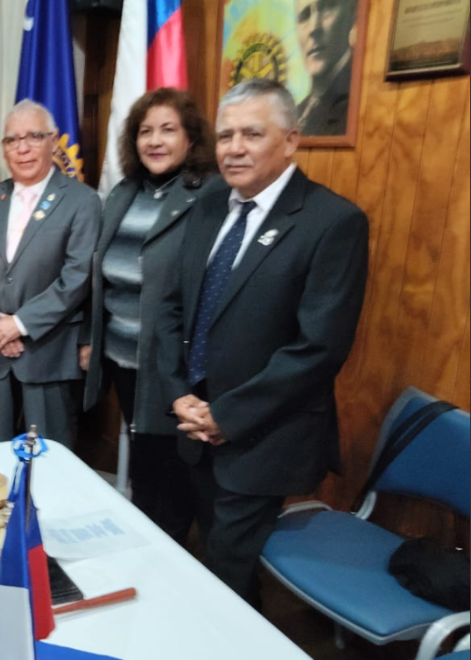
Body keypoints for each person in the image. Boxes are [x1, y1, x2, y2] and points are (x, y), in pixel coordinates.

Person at [154, 79, 369, 608]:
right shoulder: (210, 204)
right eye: (225, 135)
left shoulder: (332, 222)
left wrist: (227, 416)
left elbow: (318, 348)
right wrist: (178, 392)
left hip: (260, 439)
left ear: (291, 140)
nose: (234, 148)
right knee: (213, 558)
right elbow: (174, 306)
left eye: (252, 134)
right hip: (194, 425)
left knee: (226, 573)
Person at [80, 88, 221, 545]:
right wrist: (92, 338)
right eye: (145, 131)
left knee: (174, 480)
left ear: (191, 138)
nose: (155, 141)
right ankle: (147, 550)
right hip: (124, 360)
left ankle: (166, 556)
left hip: (173, 367)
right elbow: (100, 277)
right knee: (145, 465)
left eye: (168, 130)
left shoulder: (210, 195)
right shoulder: (124, 193)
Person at [0, 100, 101, 447]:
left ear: (53, 140)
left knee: (48, 457)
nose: (22, 148)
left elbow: (77, 276)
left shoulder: (82, 201)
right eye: (12, 140)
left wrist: (19, 324)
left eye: (33, 137)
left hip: (47, 352)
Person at [293, 0, 358, 136]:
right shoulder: (295, 114)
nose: (314, 28)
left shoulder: (359, 103)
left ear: (353, 10)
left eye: (327, 6)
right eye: (305, 15)